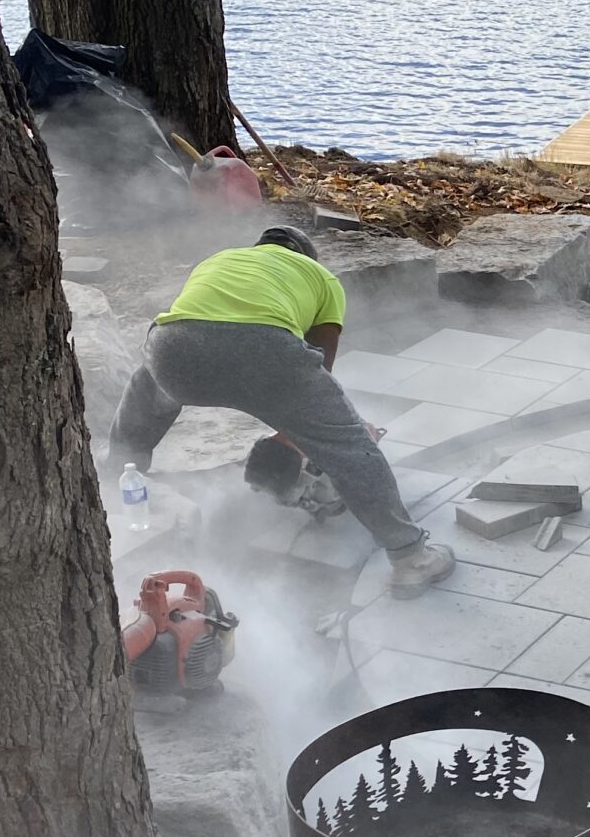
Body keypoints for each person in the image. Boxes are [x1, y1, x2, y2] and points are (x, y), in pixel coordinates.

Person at [108, 227, 455, 592]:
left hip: (173, 349)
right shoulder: (321, 278)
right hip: (267, 352)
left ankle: (115, 479)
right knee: (349, 447)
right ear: (307, 256)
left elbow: (203, 323)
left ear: (259, 248)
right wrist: (305, 435)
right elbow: (320, 367)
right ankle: (412, 559)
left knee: (146, 390)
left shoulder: (222, 258)